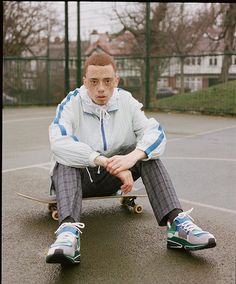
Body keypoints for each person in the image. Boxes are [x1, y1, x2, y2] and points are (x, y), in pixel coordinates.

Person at [46, 52, 216, 264]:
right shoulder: (71, 102)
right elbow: (59, 142)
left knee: (147, 152)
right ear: (85, 82)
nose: (101, 88)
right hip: (77, 179)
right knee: (66, 157)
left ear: (116, 80)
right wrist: (108, 162)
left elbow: (155, 133)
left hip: (111, 180)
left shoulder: (126, 101)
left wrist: (134, 156)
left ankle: (177, 226)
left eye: (107, 81)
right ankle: (68, 233)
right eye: (94, 81)